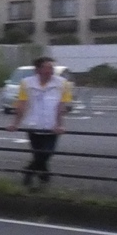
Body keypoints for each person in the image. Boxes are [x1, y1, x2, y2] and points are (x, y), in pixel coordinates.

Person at [8, 56, 72, 189]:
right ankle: (43, 178)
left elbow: (61, 106)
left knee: (47, 153)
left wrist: (60, 124)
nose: (50, 70)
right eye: (47, 67)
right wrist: (15, 123)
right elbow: (21, 104)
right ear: (38, 69)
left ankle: (29, 171)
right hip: (33, 124)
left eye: (52, 68)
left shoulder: (62, 83)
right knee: (38, 154)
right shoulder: (26, 83)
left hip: (51, 125)